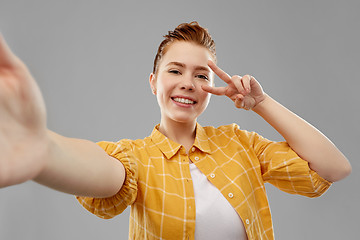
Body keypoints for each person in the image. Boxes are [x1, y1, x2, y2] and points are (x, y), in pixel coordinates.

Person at [0, 22, 351, 240]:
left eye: (201, 75)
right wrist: (44, 151)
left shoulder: (241, 144)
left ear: (212, 87)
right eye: (175, 71)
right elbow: (102, 171)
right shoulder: (137, 159)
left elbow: (334, 168)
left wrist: (260, 103)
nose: (188, 84)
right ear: (153, 82)